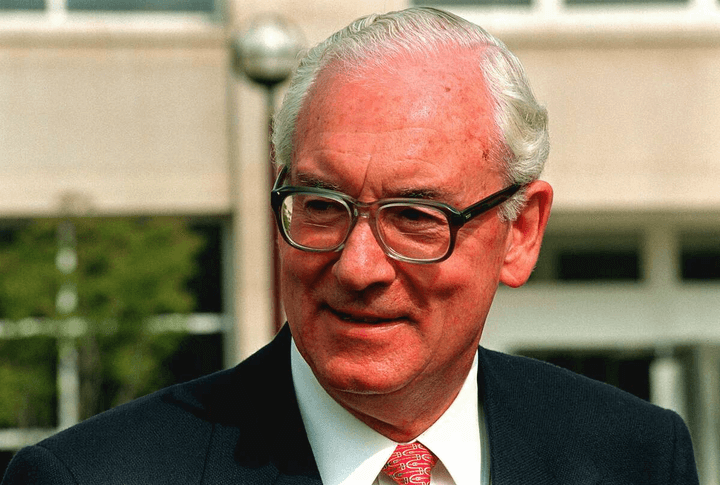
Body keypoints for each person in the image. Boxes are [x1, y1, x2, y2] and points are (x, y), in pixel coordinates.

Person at [2, 7, 698, 485]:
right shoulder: (93, 476)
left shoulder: (632, 453)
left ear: (519, 232)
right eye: (321, 206)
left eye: (415, 216)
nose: (358, 266)